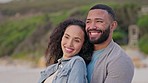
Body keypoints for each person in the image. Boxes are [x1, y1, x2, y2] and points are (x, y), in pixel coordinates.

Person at [85, 4, 134, 83]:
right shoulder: (80, 50)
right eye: (88, 22)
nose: (92, 26)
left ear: (112, 25)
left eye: (99, 21)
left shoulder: (120, 60)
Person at [38, 18, 93, 83]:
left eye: (76, 40)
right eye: (67, 37)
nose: (69, 44)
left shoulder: (77, 62)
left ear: (83, 44)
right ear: (61, 37)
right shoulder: (52, 68)